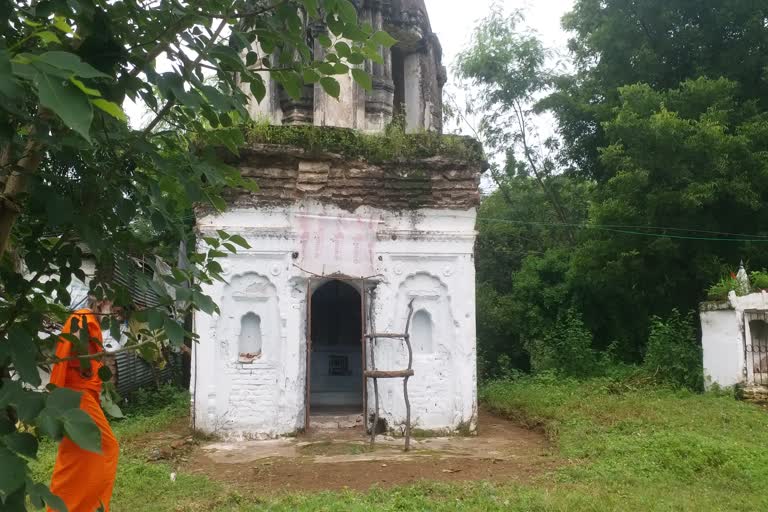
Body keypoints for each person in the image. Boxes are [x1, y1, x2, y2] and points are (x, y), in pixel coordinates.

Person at [47, 299, 120, 512]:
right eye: (112, 309)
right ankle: (83, 506)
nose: (114, 315)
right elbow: (77, 338)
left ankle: (74, 506)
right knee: (105, 447)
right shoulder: (84, 317)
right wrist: (87, 366)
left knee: (76, 455)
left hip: (76, 395)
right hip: (76, 395)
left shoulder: (86, 319)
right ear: (101, 303)